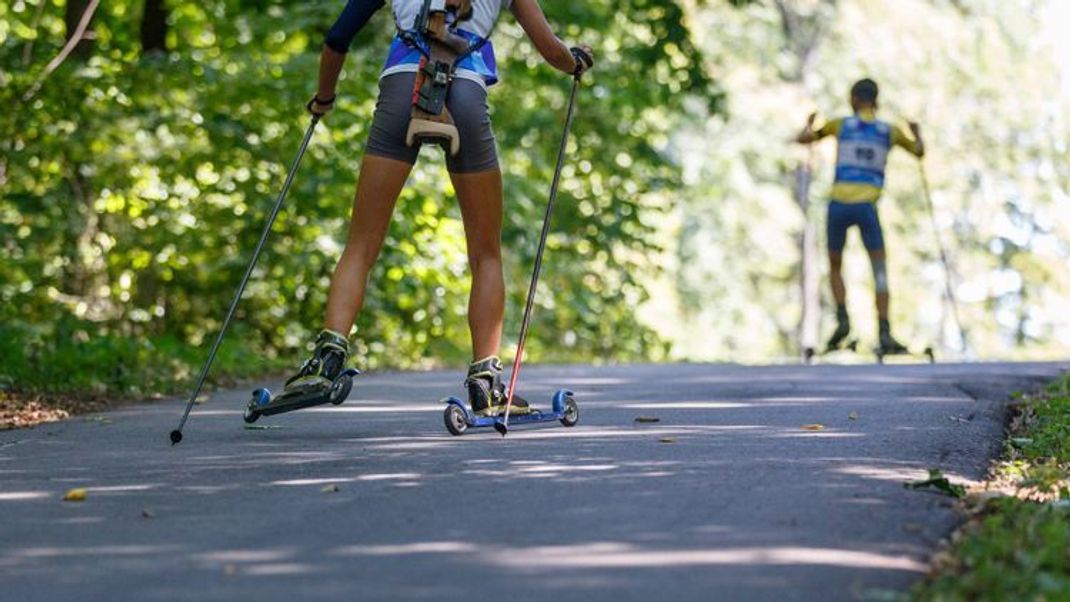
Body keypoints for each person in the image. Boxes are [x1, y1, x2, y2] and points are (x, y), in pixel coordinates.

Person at [284, 0, 593, 416]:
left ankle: (326, 359)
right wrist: (574, 61)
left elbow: (338, 38)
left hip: (401, 92)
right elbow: (550, 50)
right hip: (465, 96)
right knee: (485, 253)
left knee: (360, 244)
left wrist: (324, 98)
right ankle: (485, 382)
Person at [796, 78, 925, 354]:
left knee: (834, 265)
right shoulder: (888, 131)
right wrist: (917, 133)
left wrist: (809, 123)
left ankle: (843, 320)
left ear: (853, 98)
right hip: (867, 208)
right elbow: (918, 152)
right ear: (876, 100)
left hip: (838, 205)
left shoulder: (841, 125)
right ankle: (885, 332)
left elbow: (805, 139)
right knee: (878, 268)